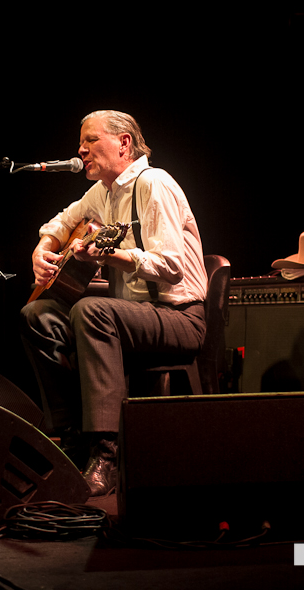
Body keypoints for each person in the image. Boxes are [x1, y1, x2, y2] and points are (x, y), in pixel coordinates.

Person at [20, 110, 208, 496]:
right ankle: (72, 437)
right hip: (137, 315)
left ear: (124, 143)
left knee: (91, 309)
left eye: (91, 140)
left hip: (179, 317)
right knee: (37, 314)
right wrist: (43, 249)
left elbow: (172, 268)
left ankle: (108, 451)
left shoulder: (154, 183)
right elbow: (59, 223)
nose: (81, 149)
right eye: (81, 142)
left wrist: (106, 256)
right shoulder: (103, 192)